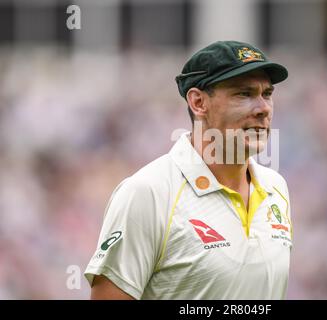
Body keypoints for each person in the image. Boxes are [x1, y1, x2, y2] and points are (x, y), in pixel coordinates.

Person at [84, 40, 293, 299]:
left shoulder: (276, 188)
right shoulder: (148, 193)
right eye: (244, 94)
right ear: (198, 102)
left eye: (267, 94)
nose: (263, 108)